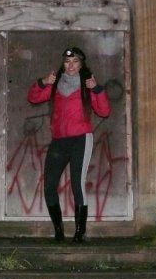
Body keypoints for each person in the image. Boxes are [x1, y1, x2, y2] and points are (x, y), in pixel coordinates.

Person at [27, 47, 111, 243]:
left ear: (81, 65)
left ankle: (80, 233)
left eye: (75, 62)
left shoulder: (87, 85)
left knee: (77, 185)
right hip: (59, 141)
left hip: (81, 139)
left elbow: (104, 111)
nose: (71, 66)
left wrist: (96, 89)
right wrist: (43, 82)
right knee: (49, 185)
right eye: (67, 62)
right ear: (63, 64)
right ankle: (58, 231)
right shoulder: (55, 84)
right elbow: (33, 97)